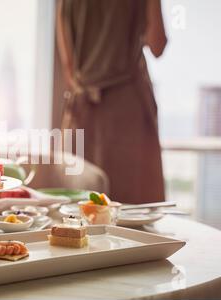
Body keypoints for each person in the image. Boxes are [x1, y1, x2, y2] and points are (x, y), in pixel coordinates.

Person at [56, 0, 167, 204]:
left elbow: (69, 66)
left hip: (81, 112)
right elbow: (157, 44)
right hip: (127, 110)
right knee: (132, 217)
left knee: (80, 213)